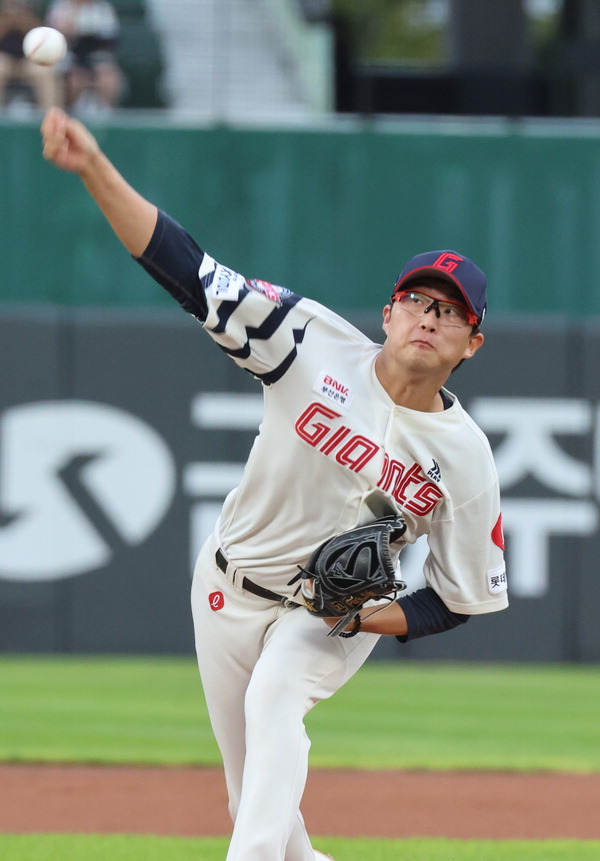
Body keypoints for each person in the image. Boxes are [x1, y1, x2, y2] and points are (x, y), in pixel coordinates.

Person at [40, 106, 508, 861]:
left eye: (449, 311)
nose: (429, 316)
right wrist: (94, 166)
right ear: (389, 311)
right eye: (418, 301)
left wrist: (362, 620)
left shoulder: (467, 458)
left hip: (326, 616)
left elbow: (459, 598)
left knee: (275, 699)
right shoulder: (307, 342)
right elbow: (185, 267)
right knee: (252, 797)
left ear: (472, 342)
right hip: (226, 584)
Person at [45, 0, 122, 113]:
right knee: (75, 80)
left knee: (108, 77)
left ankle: (107, 116)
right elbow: (53, 39)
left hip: (95, 57)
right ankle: (70, 115)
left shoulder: (102, 8)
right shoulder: (60, 6)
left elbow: (110, 40)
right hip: (69, 58)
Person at [0, 0, 63, 111]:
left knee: (45, 73)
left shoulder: (31, 8)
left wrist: (22, 20)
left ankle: (52, 118)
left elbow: (42, 34)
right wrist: (7, 21)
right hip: (5, 58)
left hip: (29, 60)